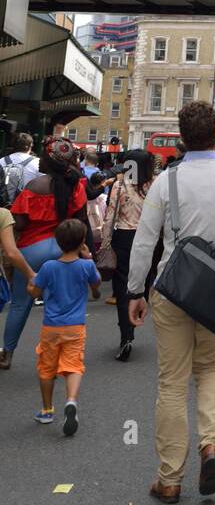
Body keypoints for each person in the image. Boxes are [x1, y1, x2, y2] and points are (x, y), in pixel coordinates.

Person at [126, 102, 215, 505]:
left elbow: (145, 240)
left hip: (172, 289)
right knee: (208, 371)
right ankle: (211, 447)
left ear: (182, 139)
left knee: (171, 382)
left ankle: (169, 479)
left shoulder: (166, 182)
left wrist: (135, 291)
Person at [0, 137, 88, 369]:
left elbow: (18, 223)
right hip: (64, 251)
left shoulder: (33, 188)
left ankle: (7, 353)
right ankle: (58, 357)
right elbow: (81, 222)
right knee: (57, 307)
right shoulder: (76, 187)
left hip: (32, 250)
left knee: (20, 304)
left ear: (49, 162)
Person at [28, 218, 100, 432]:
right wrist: (88, 258)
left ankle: (47, 410)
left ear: (58, 243)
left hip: (51, 326)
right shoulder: (86, 265)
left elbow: (36, 293)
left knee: (46, 368)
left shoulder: (48, 267)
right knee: (74, 366)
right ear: (82, 243)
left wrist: (28, 286)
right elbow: (96, 285)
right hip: (75, 326)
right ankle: (70, 400)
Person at [100, 149, 155, 362]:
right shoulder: (153, 186)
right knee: (141, 285)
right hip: (147, 239)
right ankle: (136, 317)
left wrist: (105, 243)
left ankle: (126, 335)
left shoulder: (119, 185)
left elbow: (109, 217)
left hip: (123, 238)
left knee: (122, 288)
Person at [1, 132, 40, 206]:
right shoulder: (38, 162)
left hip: (3, 206)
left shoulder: (1, 161)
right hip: (24, 207)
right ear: (30, 145)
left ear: (13, 145)